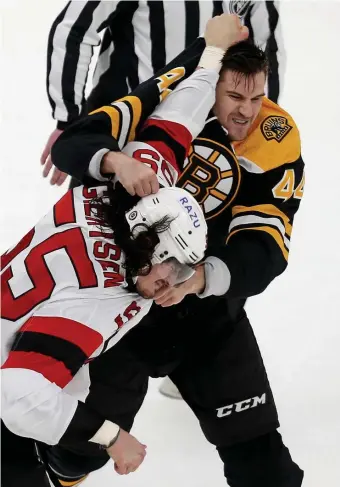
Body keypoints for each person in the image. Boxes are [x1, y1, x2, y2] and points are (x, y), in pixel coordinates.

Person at [50, 13, 305, 487]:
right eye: (234, 95)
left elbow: (266, 245)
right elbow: (76, 142)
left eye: (257, 97)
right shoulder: (169, 101)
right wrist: (116, 160)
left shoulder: (276, 136)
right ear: (210, 85)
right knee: (75, 455)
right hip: (120, 309)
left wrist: (202, 279)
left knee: (264, 463)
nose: (246, 112)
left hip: (205, 318)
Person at [1, 14, 248, 487]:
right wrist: (113, 437)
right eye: (170, 269)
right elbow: (17, 392)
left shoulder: (129, 190)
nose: (169, 284)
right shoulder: (97, 296)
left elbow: (181, 113)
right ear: (147, 244)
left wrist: (212, 51)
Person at [41, 0, 285, 186]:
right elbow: (74, 31)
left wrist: (253, 131)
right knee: (96, 236)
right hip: (125, 132)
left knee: (190, 243)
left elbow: (266, 49)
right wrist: (69, 119)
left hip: (208, 139)